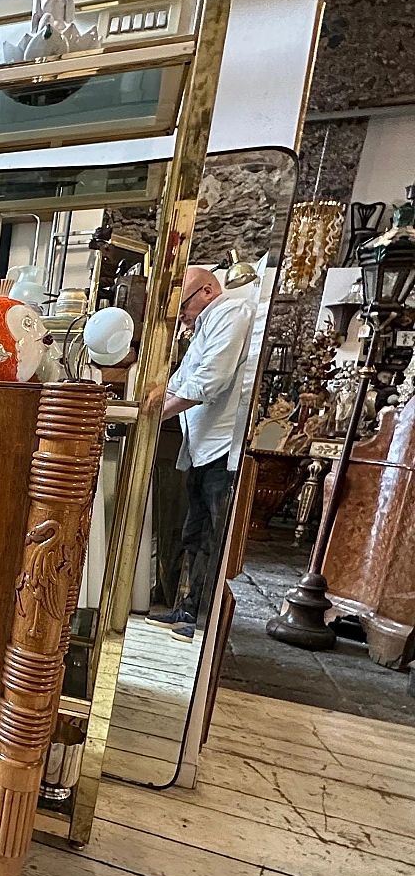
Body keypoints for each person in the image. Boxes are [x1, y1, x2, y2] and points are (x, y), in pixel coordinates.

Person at [147, 266, 254, 639]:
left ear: (207, 291)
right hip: (202, 446)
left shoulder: (230, 313)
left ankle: (202, 618)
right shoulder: (207, 323)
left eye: (185, 306)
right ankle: (187, 610)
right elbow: (182, 378)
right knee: (196, 532)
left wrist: (155, 417)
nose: (183, 316)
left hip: (222, 447)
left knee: (213, 532)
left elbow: (210, 379)